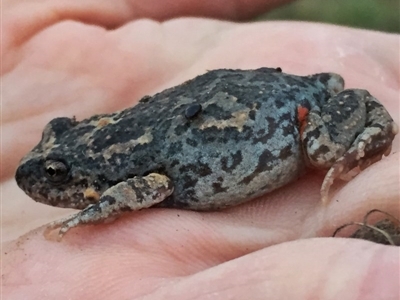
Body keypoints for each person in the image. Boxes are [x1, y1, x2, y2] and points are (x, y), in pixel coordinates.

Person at [2, 0, 399, 299]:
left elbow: (149, 187)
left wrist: (96, 213)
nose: (46, 179)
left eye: (57, 173)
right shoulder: (122, 150)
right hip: (247, 98)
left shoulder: (125, 164)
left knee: (325, 149)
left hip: (295, 106)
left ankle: (375, 124)